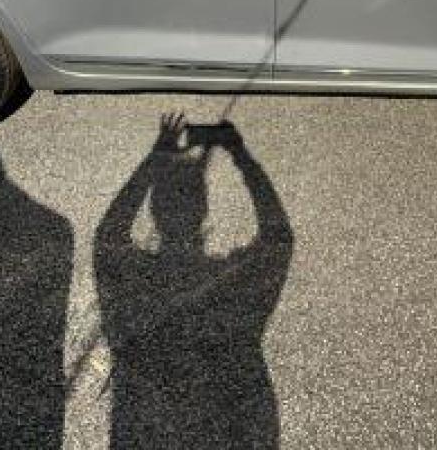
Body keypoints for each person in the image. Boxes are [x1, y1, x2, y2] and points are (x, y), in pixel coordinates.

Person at [94, 114, 293, 449]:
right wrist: (239, 154)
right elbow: (279, 236)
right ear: (203, 209)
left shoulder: (133, 276)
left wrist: (156, 156)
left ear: (156, 211)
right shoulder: (233, 282)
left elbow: (108, 233)